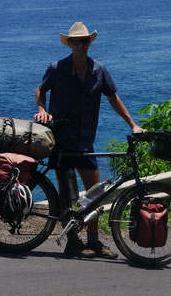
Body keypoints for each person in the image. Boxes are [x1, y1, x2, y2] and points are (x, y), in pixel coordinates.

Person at [34, 22, 142, 259]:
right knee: (66, 194)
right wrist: (41, 109)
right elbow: (40, 90)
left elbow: (114, 98)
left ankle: (93, 242)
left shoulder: (99, 70)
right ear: (69, 44)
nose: (80, 45)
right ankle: (72, 241)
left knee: (95, 194)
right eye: (75, 41)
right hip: (61, 139)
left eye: (84, 41)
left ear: (89, 43)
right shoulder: (57, 68)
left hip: (85, 140)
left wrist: (133, 125)